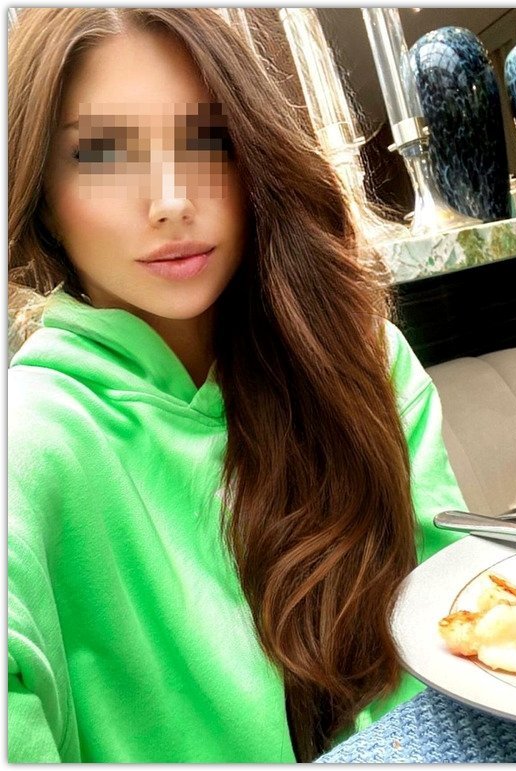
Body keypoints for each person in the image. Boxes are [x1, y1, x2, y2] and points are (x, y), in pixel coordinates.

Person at [8, 8, 466, 764]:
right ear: (43, 196)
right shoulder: (29, 440)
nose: (169, 200)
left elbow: (460, 642)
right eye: (104, 152)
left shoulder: (362, 365)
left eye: (206, 139)